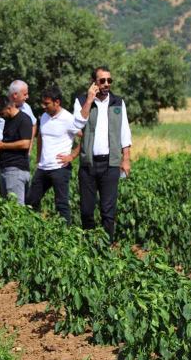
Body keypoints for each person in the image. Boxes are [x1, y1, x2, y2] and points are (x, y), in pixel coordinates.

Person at [73, 67, 132, 242]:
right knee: (86, 210)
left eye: (109, 80)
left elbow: (124, 131)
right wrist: (89, 99)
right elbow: (78, 123)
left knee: (108, 211)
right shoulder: (81, 101)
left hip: (110, 164)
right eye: (102, 81)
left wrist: (126, 158)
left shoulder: (118, 102)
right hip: (88, 164)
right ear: (94, 83)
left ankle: (106, 248)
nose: (106, 84)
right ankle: (90, 247)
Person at [26, 86, 82, 224]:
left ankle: (66, 237)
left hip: (60, 168)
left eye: (46, 103)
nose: (43, 106)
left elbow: (85, 137)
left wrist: (72, 156)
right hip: (43, 168)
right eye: (42, 103)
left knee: (61, 205)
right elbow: (40, 137)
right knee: (30, 201)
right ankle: (34, 229)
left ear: (57, 102)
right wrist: (39, 158)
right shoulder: (44, 116)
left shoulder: (68, 118)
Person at [0, 95, 33, 205]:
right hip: (6, 169)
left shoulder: (24, 119)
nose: (1, 116)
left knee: (15, 209)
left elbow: (25, 144)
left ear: (8, 108)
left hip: (15, 170)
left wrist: (2, 146)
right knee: (6, 207)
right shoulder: (8, 120)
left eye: (2, 113)